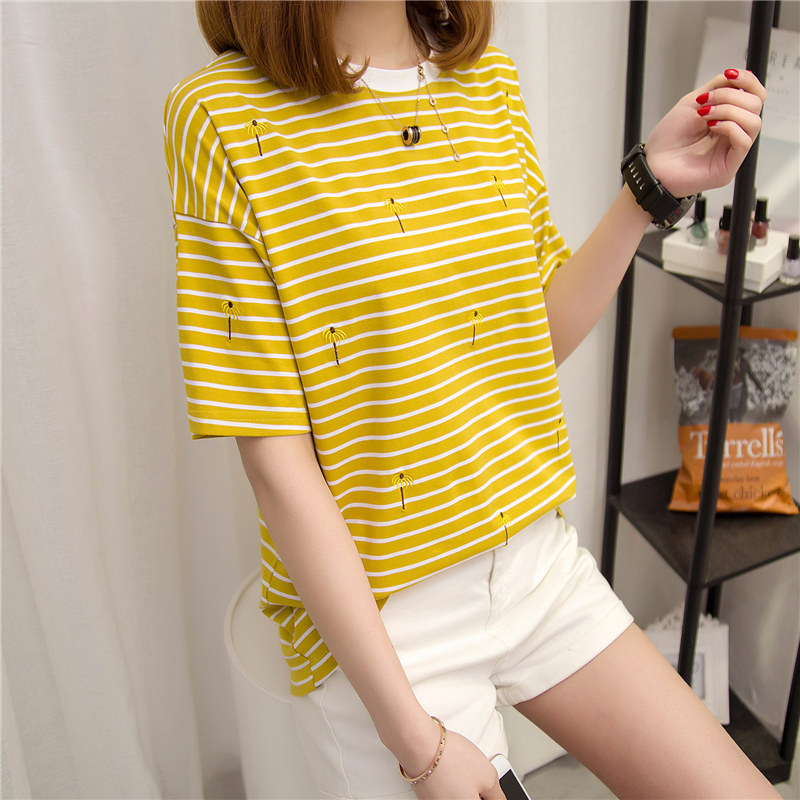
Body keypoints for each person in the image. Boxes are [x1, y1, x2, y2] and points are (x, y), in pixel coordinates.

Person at [163, 2, 778, 798]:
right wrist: (417, 744)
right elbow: (279, 470)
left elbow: (531, 337)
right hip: (386, 620)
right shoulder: (221, 119)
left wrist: (647, 192)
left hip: (533, 562)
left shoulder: (487, 82)